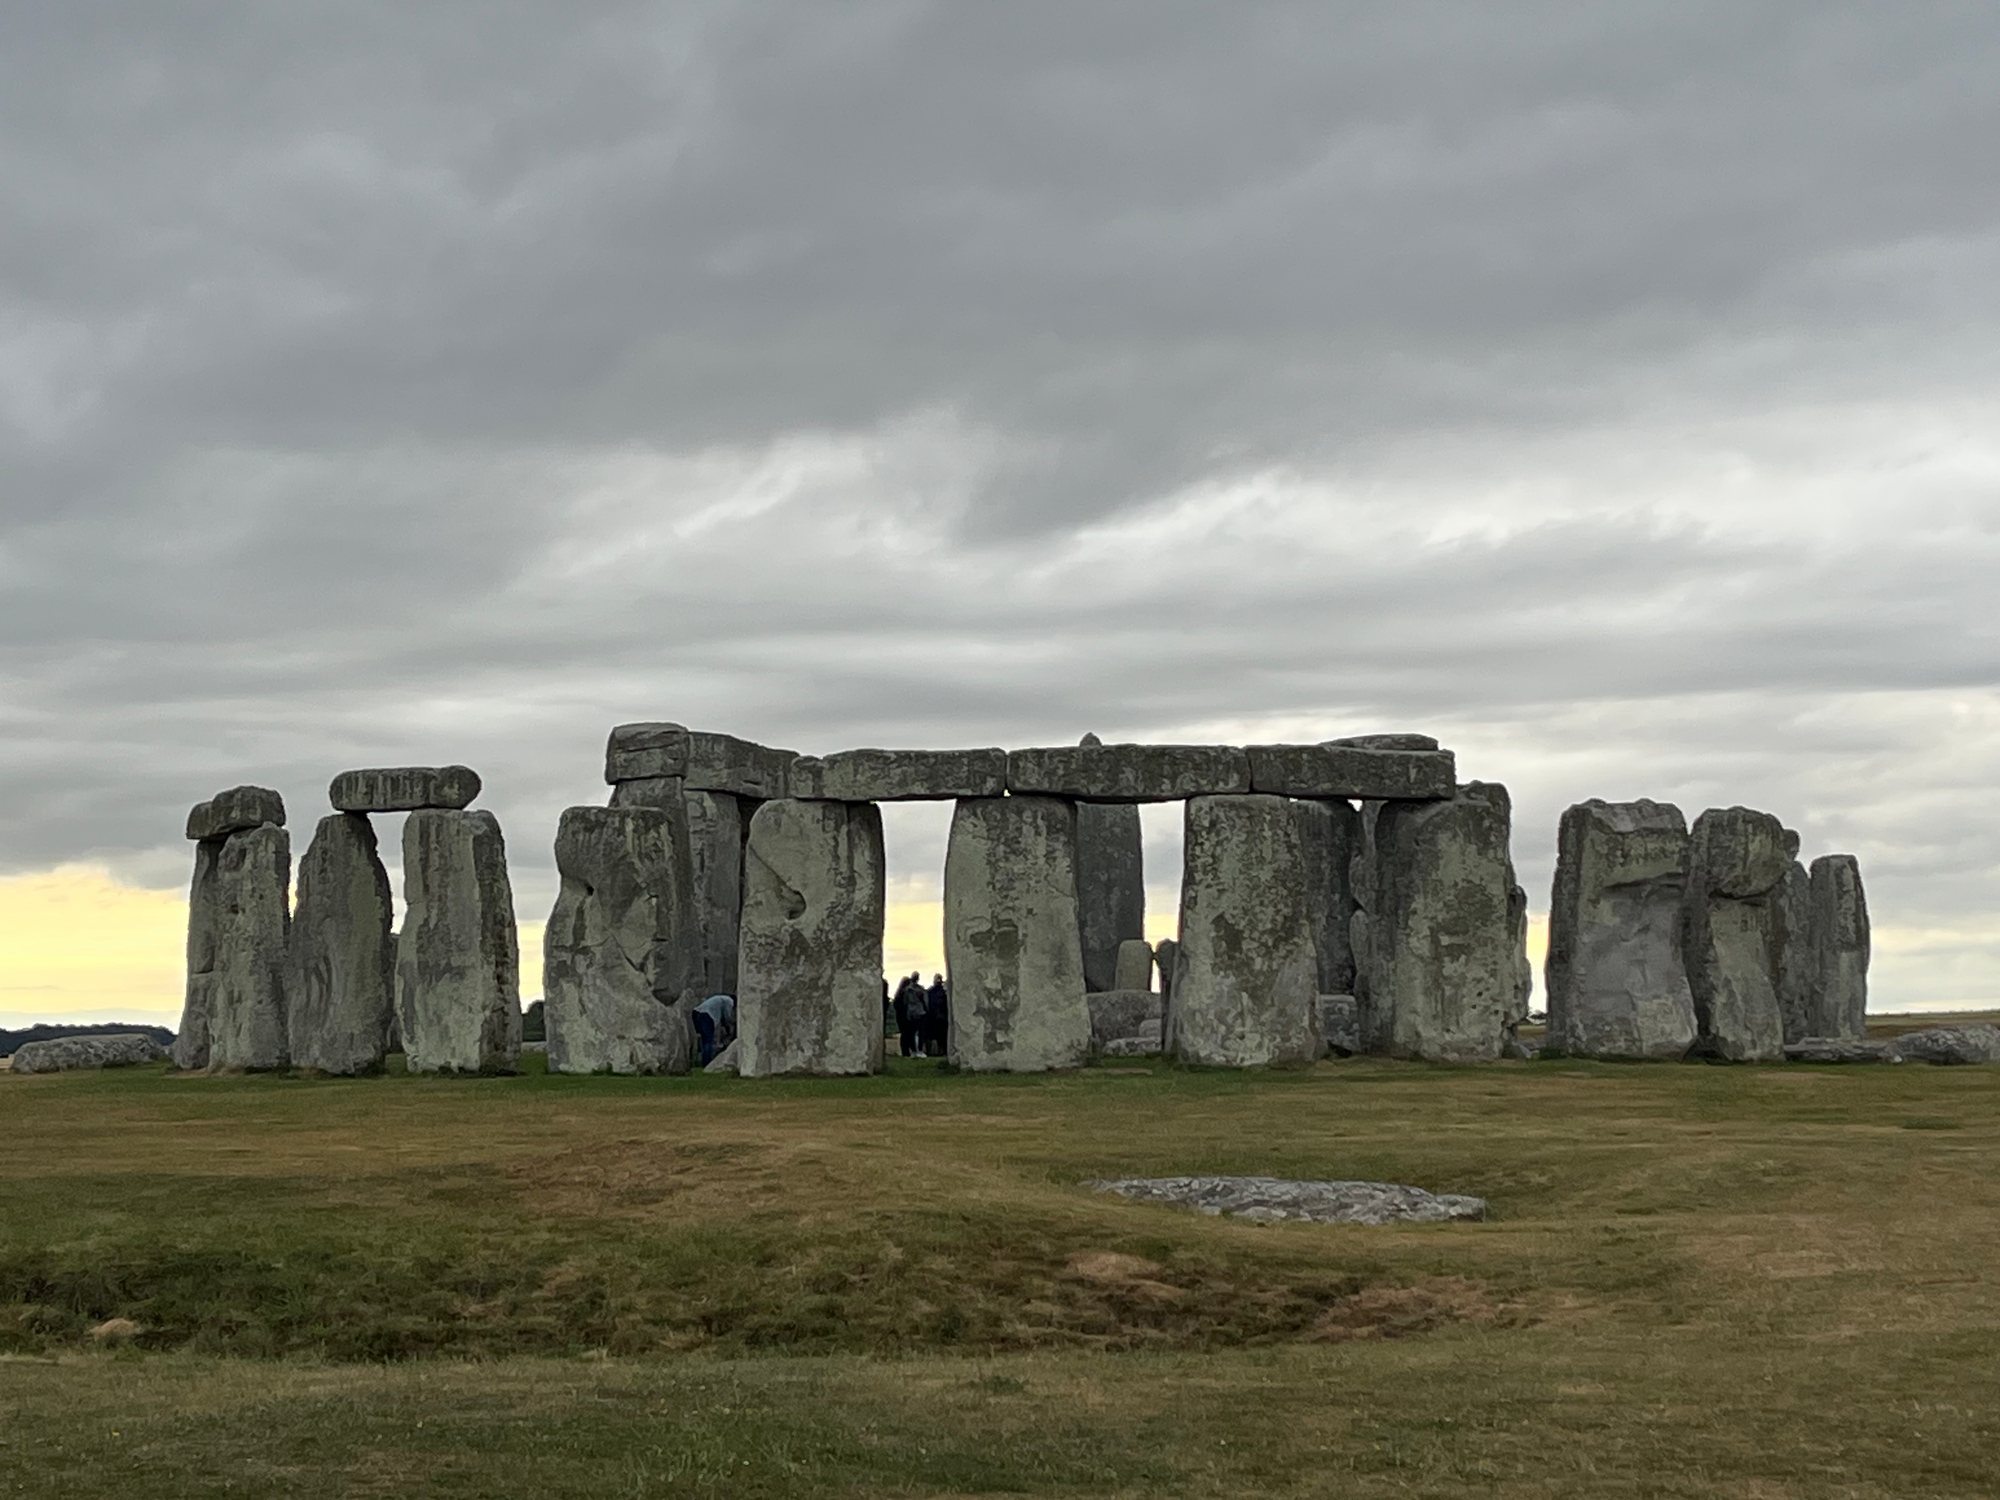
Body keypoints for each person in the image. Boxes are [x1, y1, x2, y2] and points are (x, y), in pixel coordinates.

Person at [693, 993, 736, 1065]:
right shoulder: (730, 1001)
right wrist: (729, 1030)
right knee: (708, 1040)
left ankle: (703, 1059)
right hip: (707, 1016)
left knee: (704, 1039)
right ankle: (707, 1062)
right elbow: (727, 1017)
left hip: (697, 1013)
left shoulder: (721, 999)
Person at [893, 972, 924, 1058]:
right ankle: (907, 1051)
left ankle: (906, 1051)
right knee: (907, 1034)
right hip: (905, 1016)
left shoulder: (899, 994)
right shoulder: (905, 993)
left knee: (906, 1034)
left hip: (902, 1016)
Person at [923, 973, 949, 1056]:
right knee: (930, 1036)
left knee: (942, 1036)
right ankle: (930, 1052)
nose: (938, 981)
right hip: (932, 1017)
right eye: (937, 979)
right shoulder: (930, 991)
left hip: (941, 1017)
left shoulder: (944, 992)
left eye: (939, 979)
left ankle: (943, 1051)